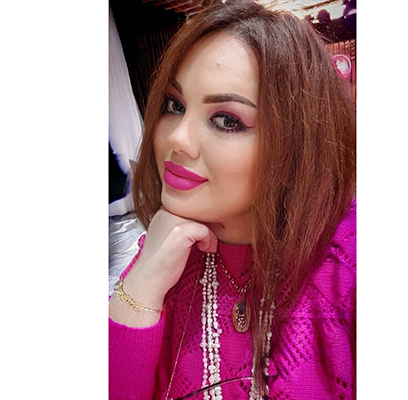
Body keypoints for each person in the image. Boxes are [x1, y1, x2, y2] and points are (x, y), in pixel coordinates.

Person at [109, 1, 356, 399]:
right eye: (175, 105)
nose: (177, 139)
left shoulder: (348, 265)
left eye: (227, 120)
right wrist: (140, 288)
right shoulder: (163, 250)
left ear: (296, 144)